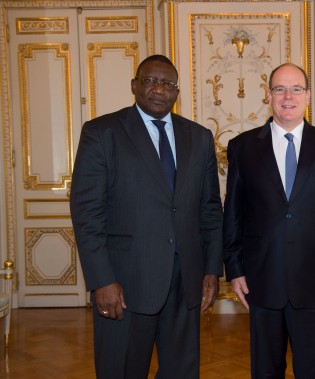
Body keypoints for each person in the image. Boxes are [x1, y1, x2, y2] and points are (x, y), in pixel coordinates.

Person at [70, 54, 223, 378]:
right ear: (134, 86)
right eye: (150, 81)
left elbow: (210, 208)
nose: (158, 89)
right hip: (124, 284)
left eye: (167, 83)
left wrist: (212, 269)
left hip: (185, 283)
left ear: (176, 92)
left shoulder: (199, 137)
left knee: (182, 372)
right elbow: (87, 213)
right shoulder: (102, 133)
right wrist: (101, 280)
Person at [223, 63, 315, 378]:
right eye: (280, 89)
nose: (288, 96)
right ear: (268, 95)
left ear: (308, 96)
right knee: (265, 371)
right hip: (261, 280)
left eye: (296, 89)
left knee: (311, 370)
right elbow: (232, 212)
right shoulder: (242, 147)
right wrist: (234, 268)